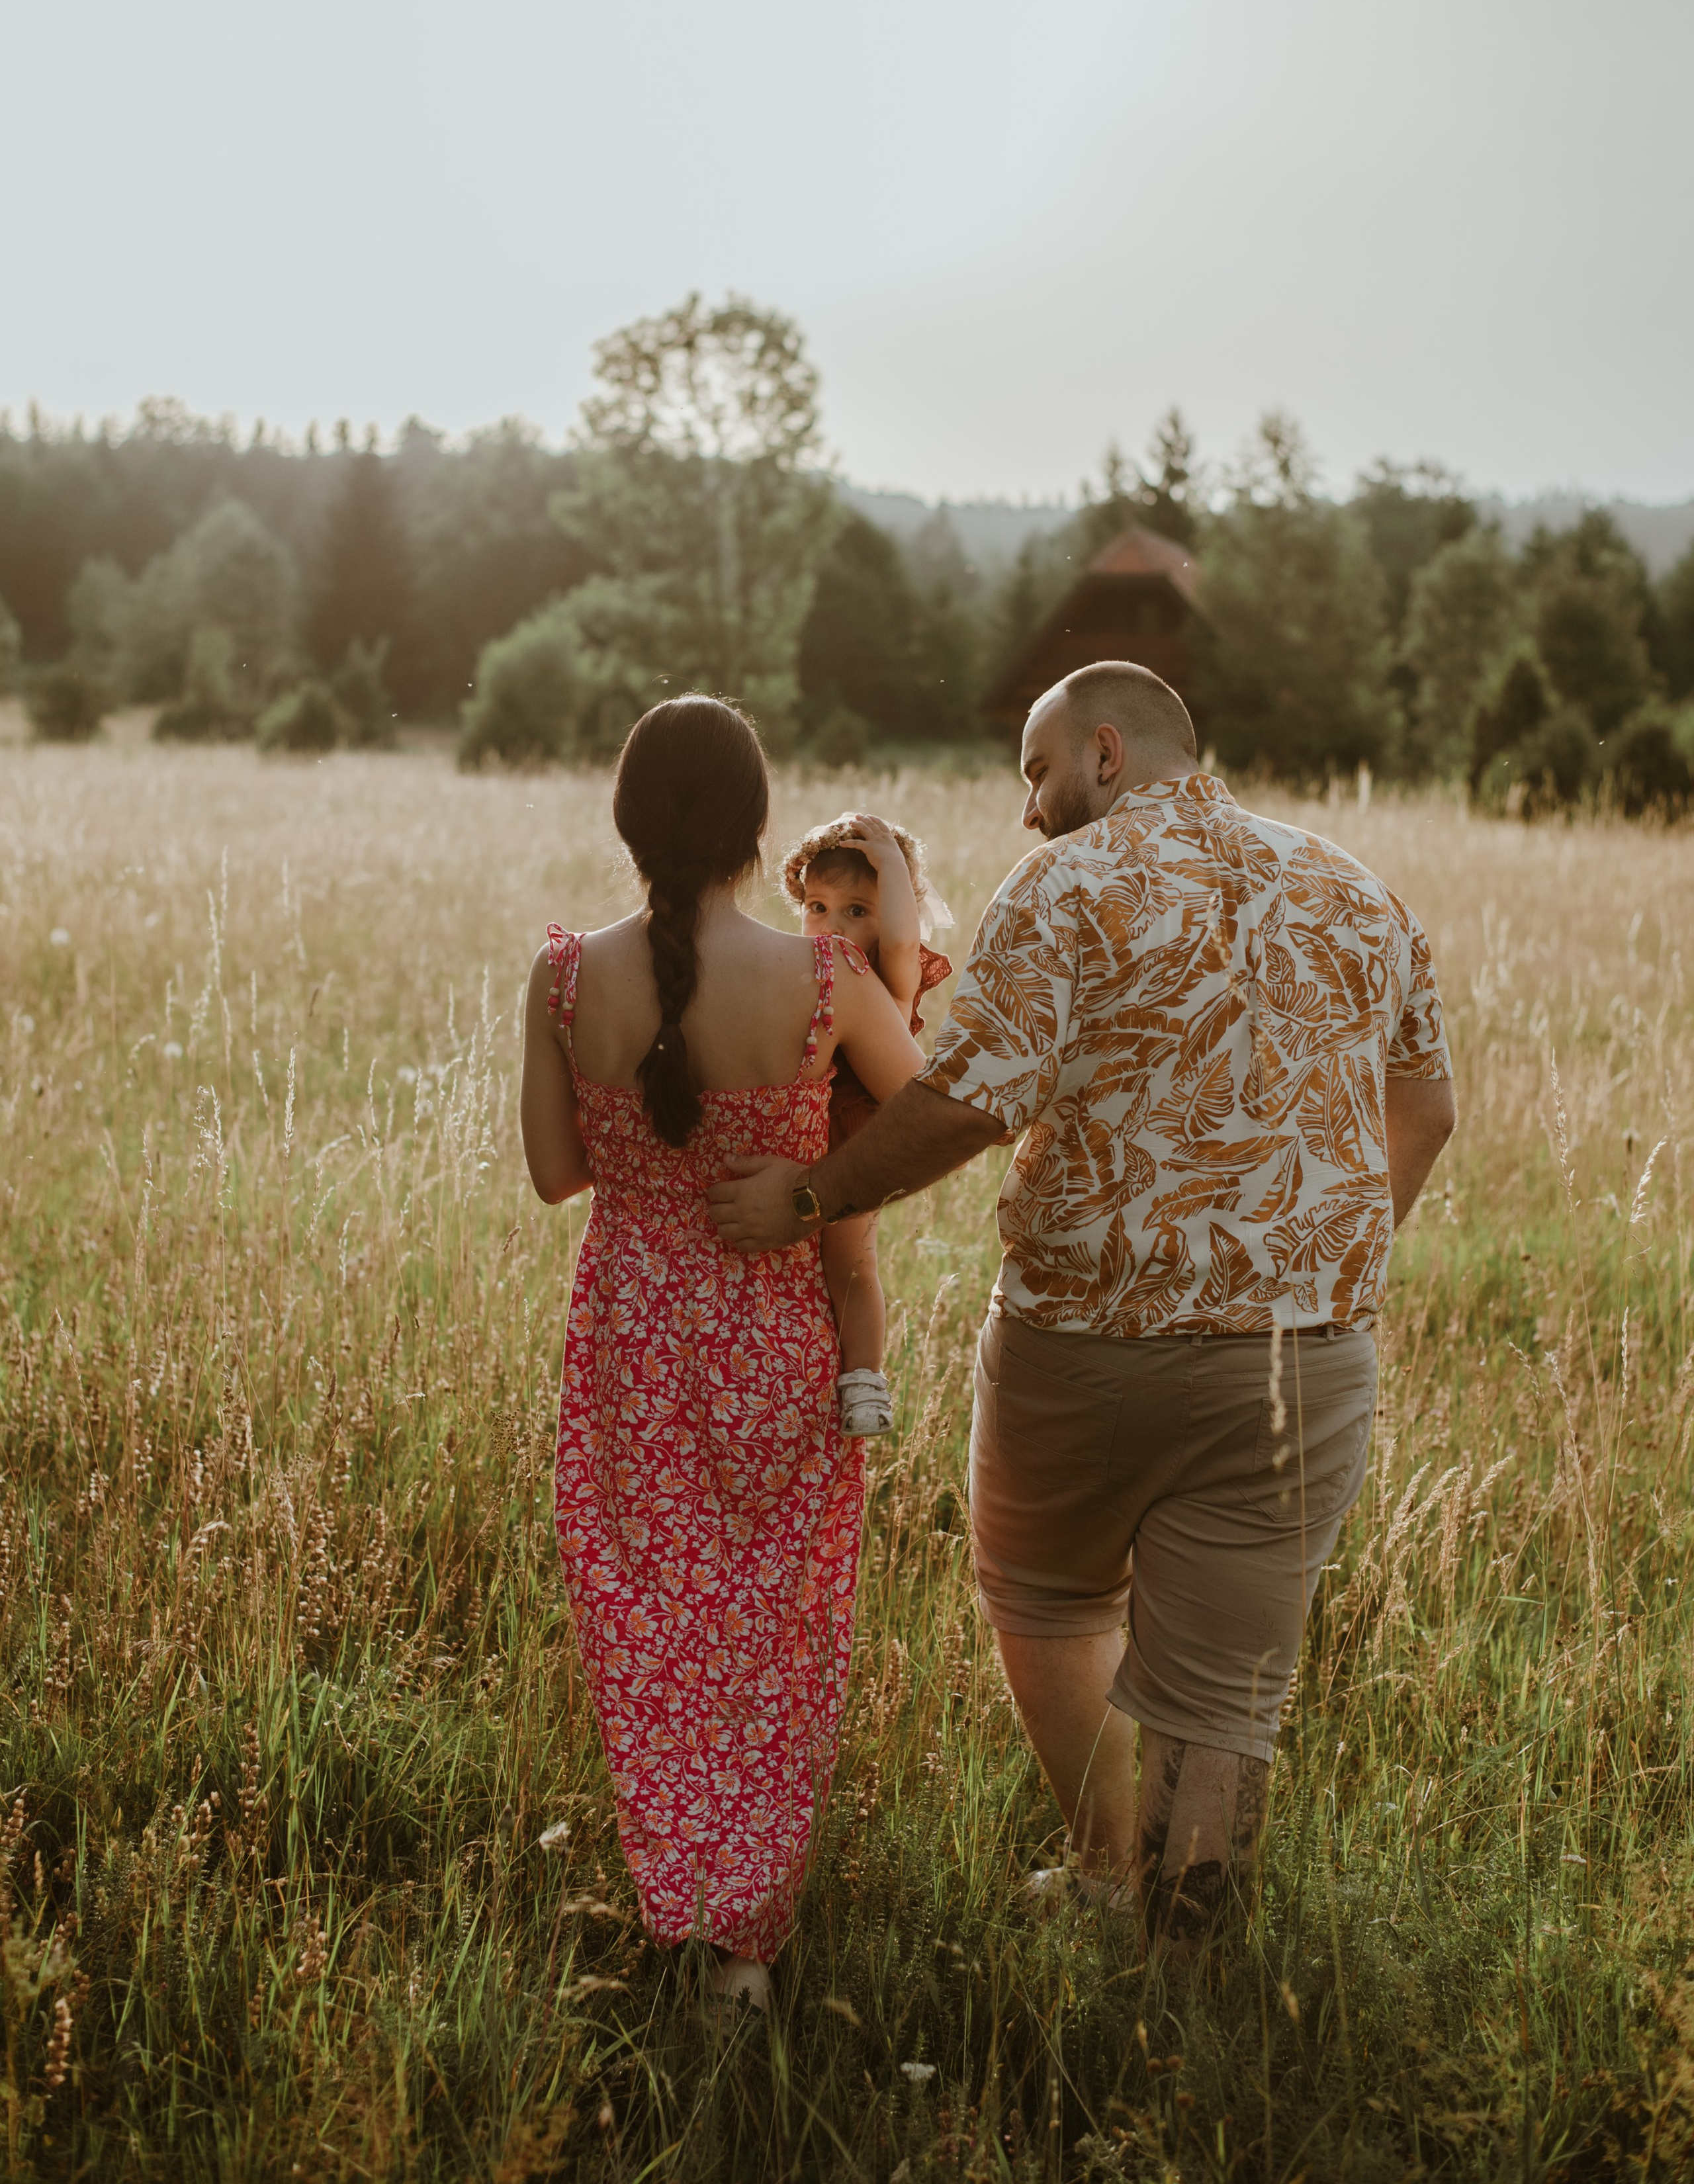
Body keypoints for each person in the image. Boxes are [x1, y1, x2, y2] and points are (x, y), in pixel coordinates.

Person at [709, 661, 1456, 1951]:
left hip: (1085, 1346)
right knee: (1222, 1694)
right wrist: (1316, 1259)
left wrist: (809, 1197)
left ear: (1104, 754)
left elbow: (965, 1100)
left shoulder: (1063, 886)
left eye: (1036, 773)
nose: (1025, 811)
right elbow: (1427, 1108)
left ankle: (1109, 1872)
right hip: (1301, 1364)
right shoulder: (1356, 889)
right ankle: (1183, 1965)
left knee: (1049, 1597)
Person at [519, 696, 924, 2012]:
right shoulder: (826, 982)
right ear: (760, 832)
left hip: (630, 1339)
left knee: (650, 1626)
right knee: (769, 1626)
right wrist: (808, 1185)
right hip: (773, 1332)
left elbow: (552, 1174)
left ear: (627, 819)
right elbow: (933, 1118)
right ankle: (742, 1945)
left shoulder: (565, 975)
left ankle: (678, 1897)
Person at [781, 811, 953, 1438]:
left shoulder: (890, 977)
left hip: (858, 1126)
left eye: (858, 910)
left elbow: (905, 941)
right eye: (818, 907)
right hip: (802, 1125)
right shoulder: (800, 972)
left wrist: (895, 869)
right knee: (806, 1259)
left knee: (849, 1259)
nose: (831, 926)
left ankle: (864, 1378)